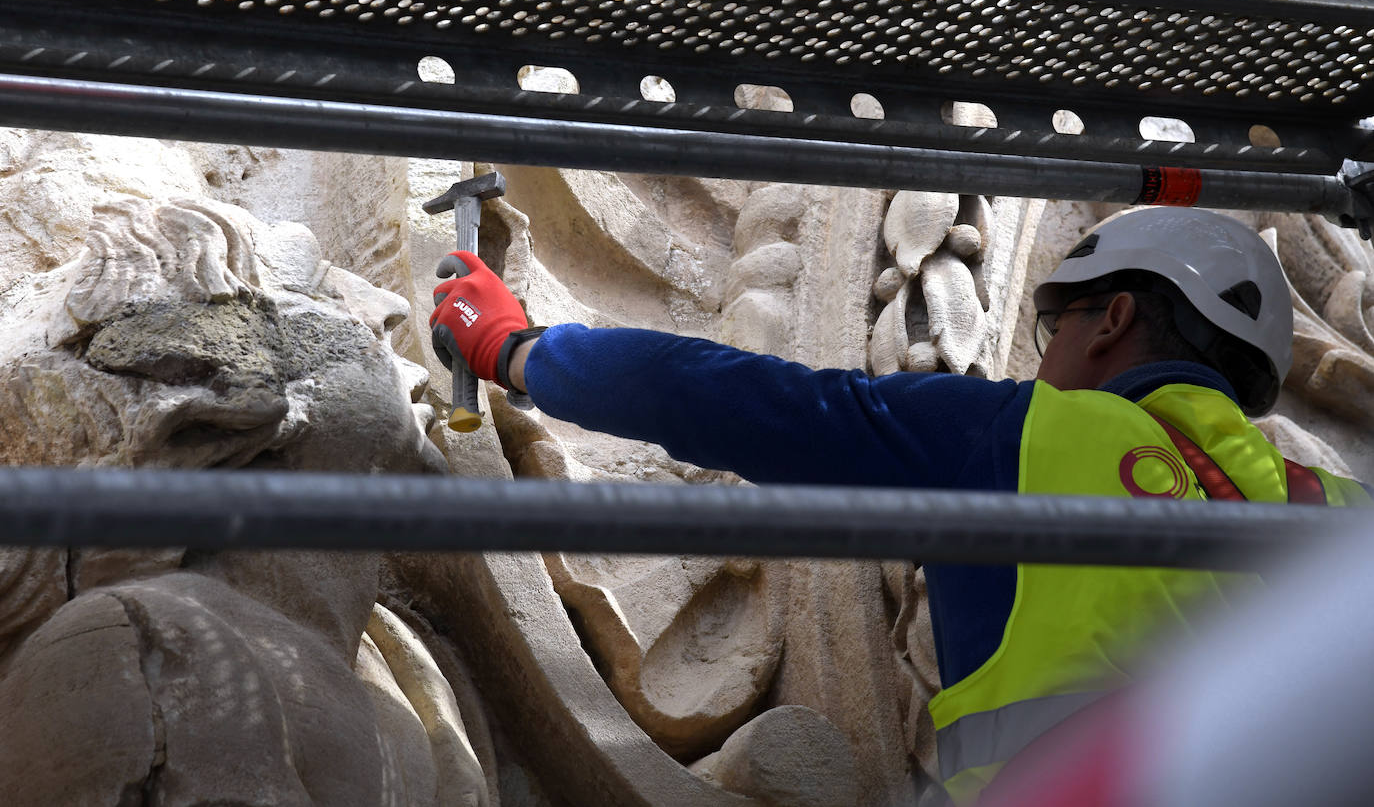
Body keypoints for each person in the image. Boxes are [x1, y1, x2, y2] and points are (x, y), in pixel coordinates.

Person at [430, 205, 1373, 803]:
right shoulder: (1342, 515)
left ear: (1115, 318)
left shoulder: (1024, 436)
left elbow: (741, 402)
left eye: (1057, 323)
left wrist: (516, 348)